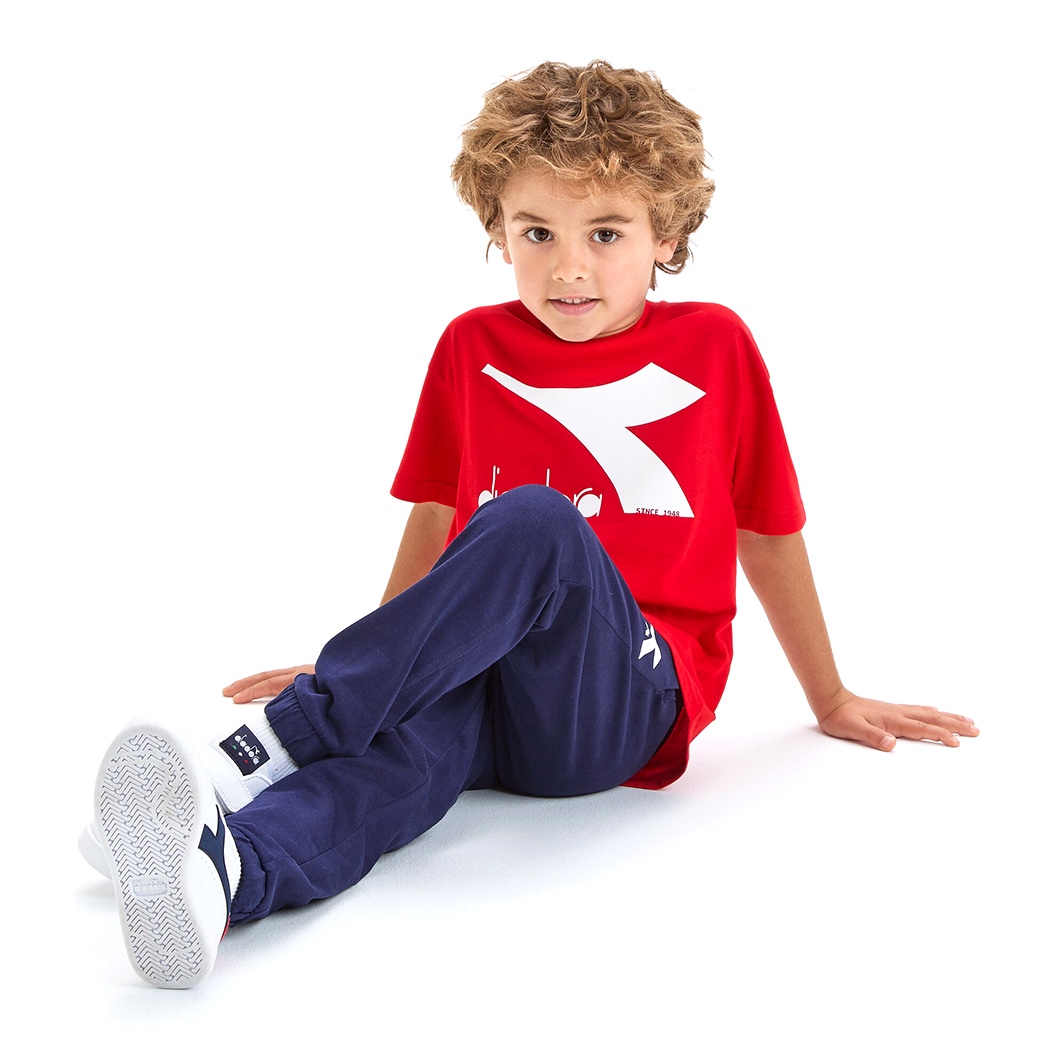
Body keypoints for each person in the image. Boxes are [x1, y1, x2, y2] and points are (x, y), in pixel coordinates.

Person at [87, 60, 978, 989]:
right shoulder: (470, 346)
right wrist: (370, 672)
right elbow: (437, 516)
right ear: (498, 232)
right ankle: (223, 872)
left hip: (623, 703)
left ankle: (274, 742)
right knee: (390, 770)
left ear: (667, 235)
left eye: (606, 233)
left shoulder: (716, 345)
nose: (569, 266)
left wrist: (829, 698)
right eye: (537, 232)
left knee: (539, 522)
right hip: (483, 683)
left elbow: (767, 528)